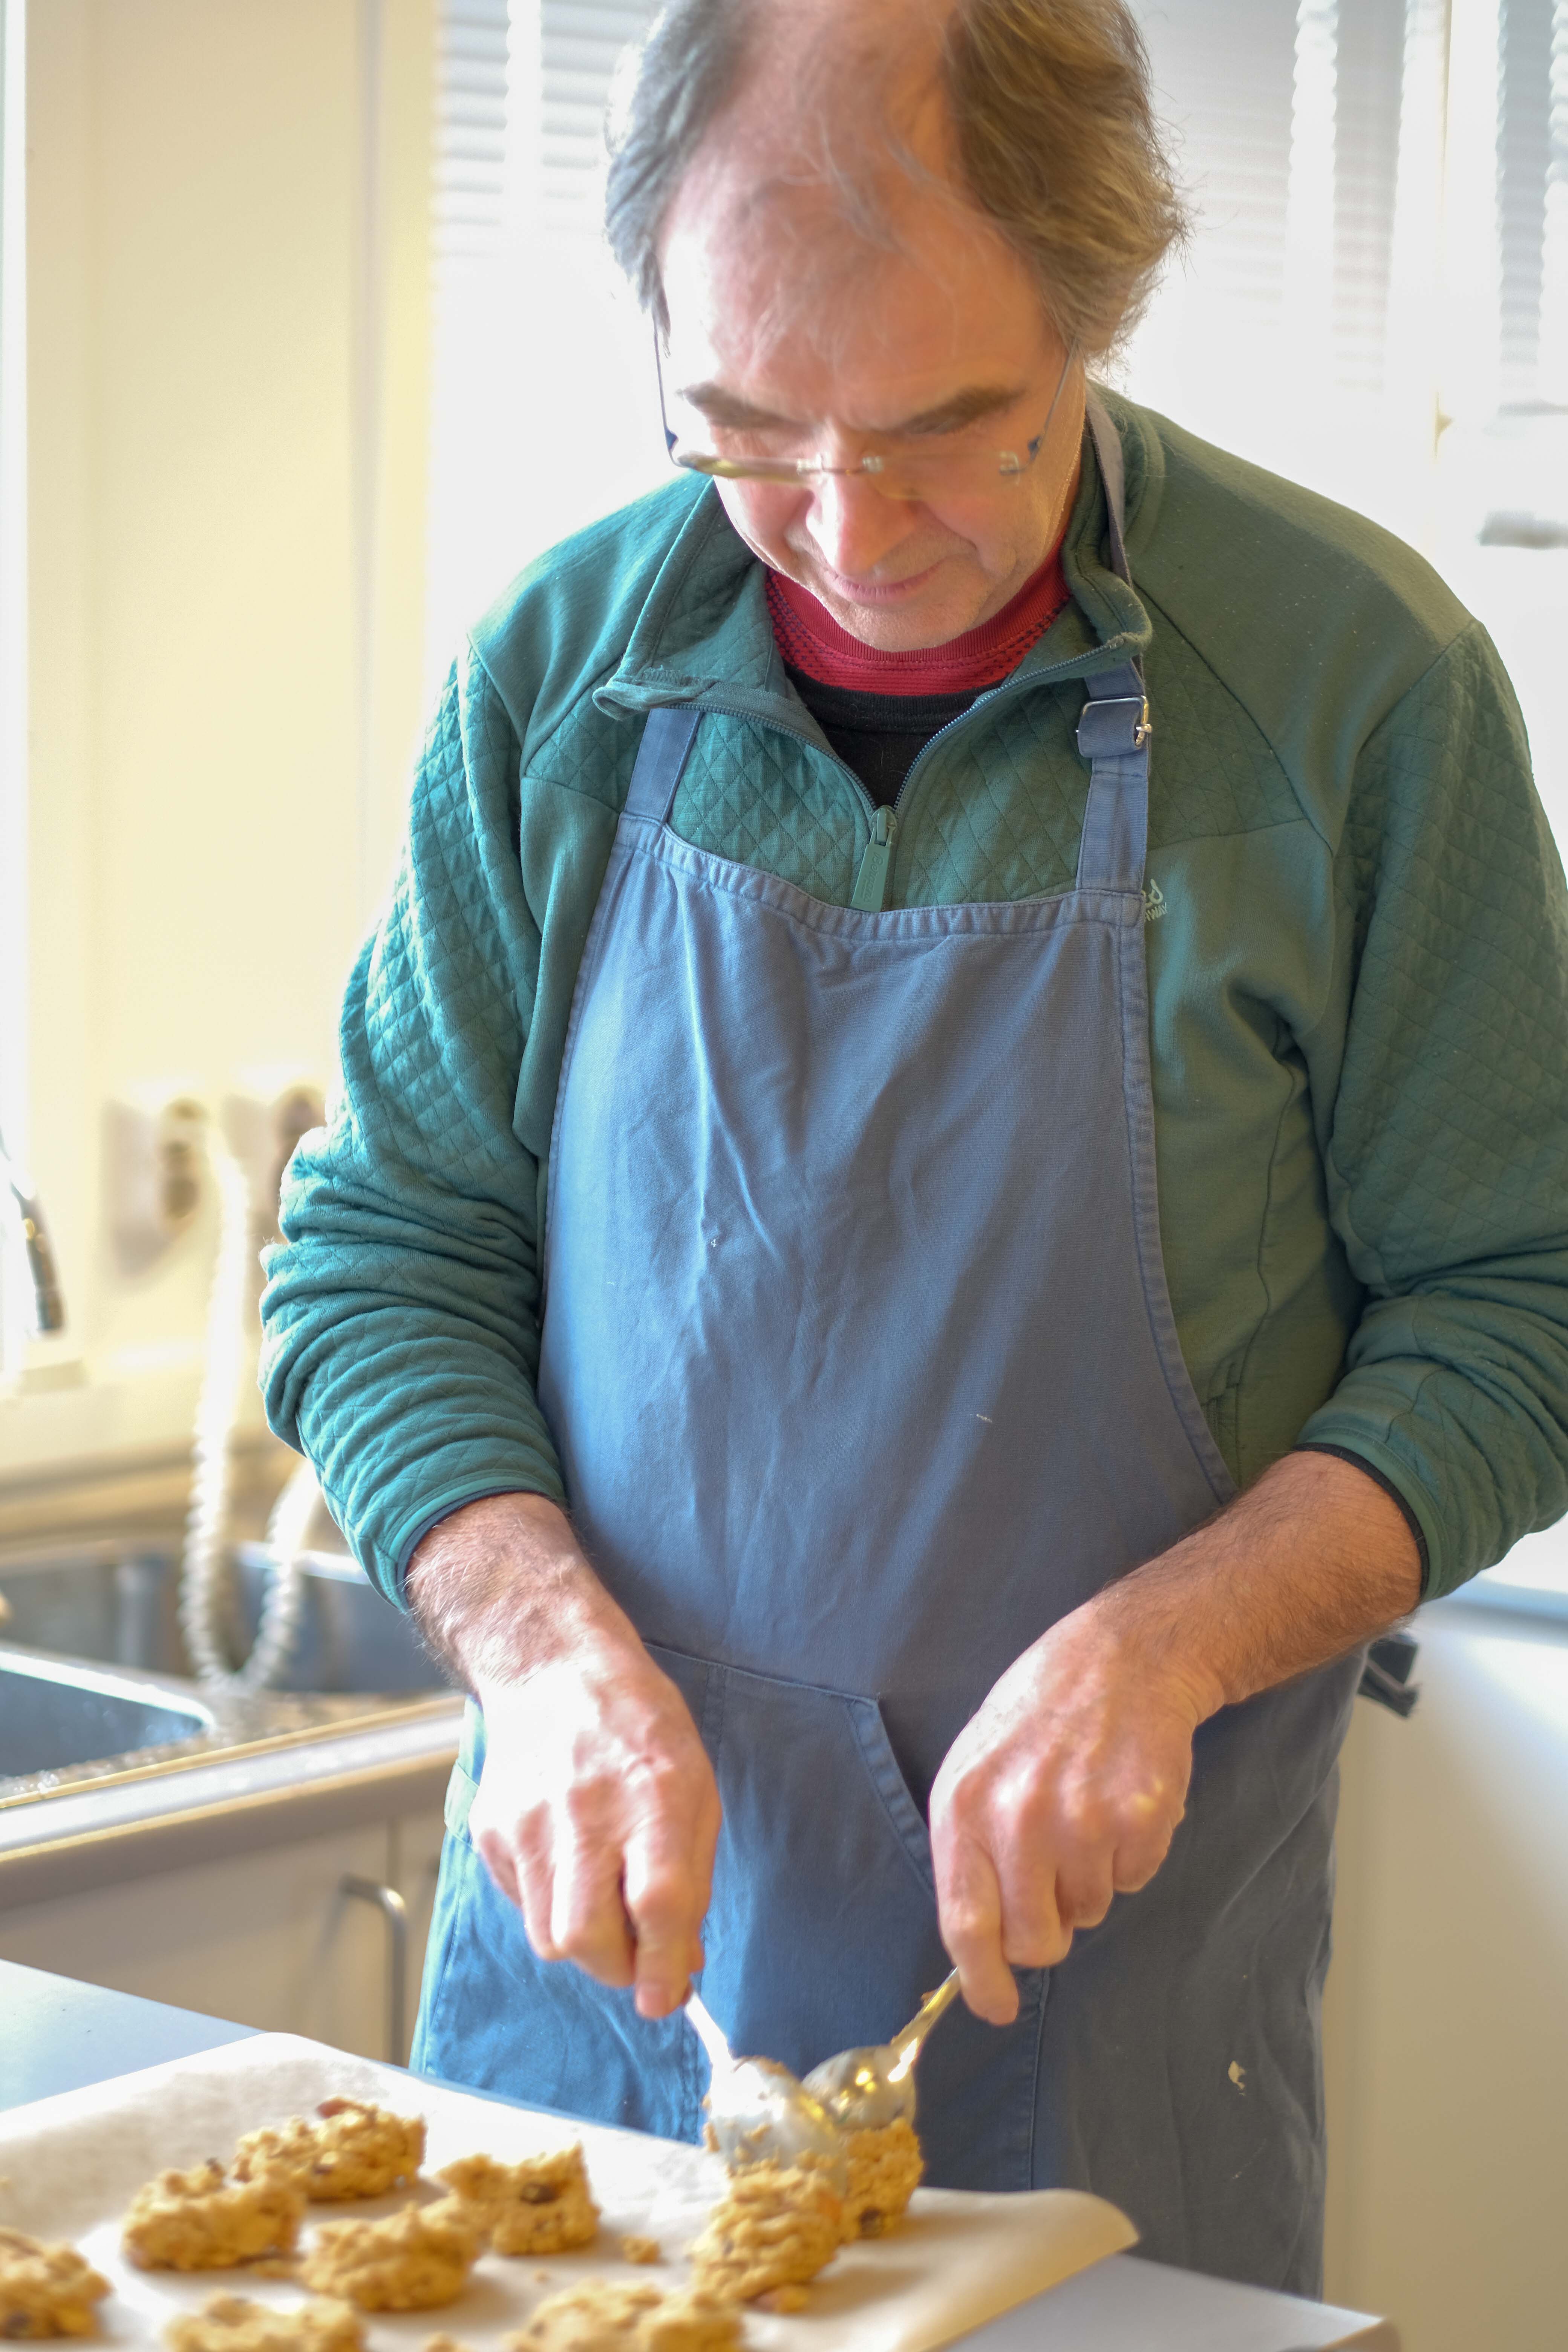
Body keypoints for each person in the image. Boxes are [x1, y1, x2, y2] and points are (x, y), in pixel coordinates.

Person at [260, 0, 1568, 2298]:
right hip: (592, 2051)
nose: (847, 536)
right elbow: (382, 1254)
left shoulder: (1364, 695)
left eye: (955, 430)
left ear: (1100, 300)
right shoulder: (556, 678)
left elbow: (1528, 1306)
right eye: (747, 432)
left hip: (1112, 2061)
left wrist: (1163, 1649)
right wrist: (543, 1649)